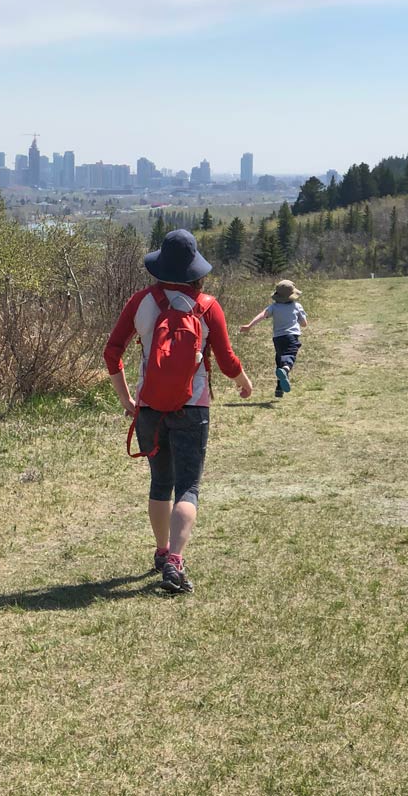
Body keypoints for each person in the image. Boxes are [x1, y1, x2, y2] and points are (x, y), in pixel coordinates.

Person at [103, 229, 252, 595]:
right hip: (193, 408)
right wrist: (244, 382)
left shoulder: (141, 302)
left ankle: (161, 551)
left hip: (150, 407)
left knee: (160, 482)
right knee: (189, 486)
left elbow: (112, 353)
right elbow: (228, 359)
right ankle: (175, 561)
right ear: (196, 270)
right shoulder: (207, 305)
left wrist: (127, 401)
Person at [239, 279, 309, 399]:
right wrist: (299, 319)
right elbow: (304, 324)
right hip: (292, 336)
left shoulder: (274, 307)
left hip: (277, 338)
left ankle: (279, 389)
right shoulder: (297, 306)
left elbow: (262, 315)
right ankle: (286, 369)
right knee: (289, 356)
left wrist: (250, 325)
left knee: (279, 360)